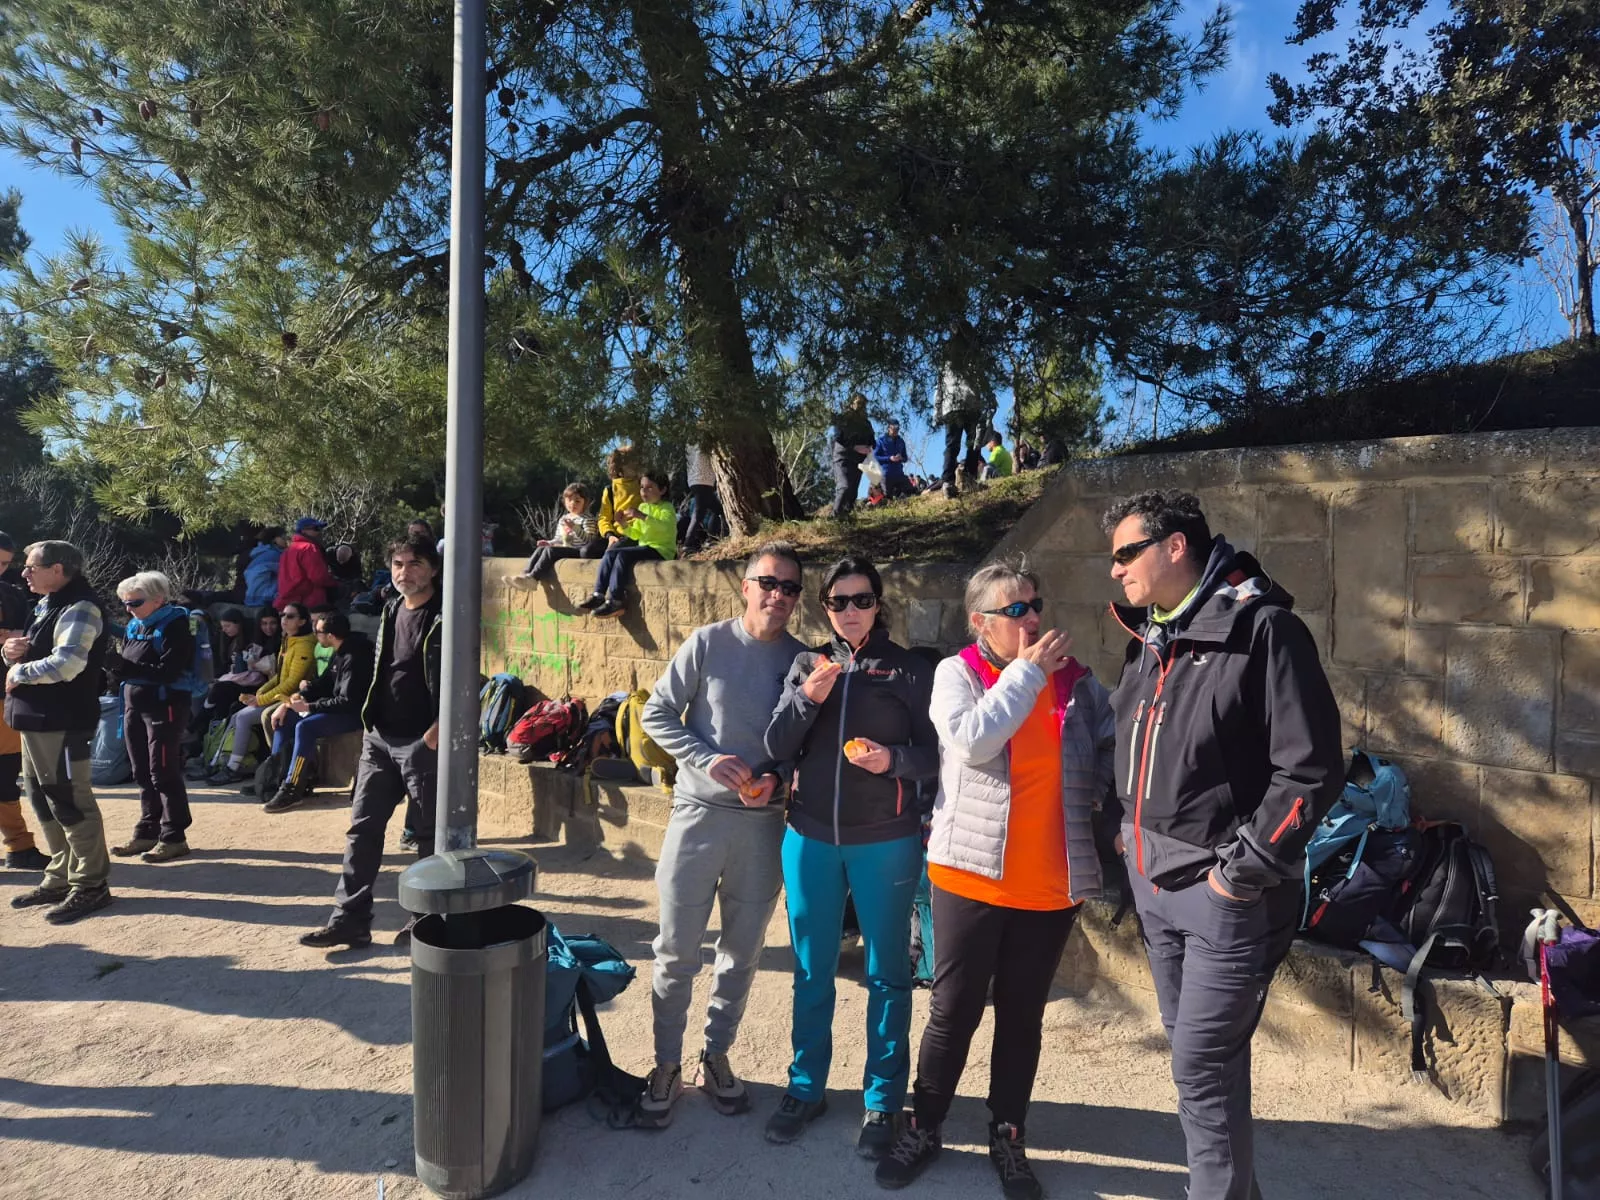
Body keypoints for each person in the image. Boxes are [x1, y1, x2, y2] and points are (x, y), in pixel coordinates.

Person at [1102, 490, 1343, 1200]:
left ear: (1175, 546)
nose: (1115, 571)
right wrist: (1123, 833)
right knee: (1203, 1058)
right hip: (1152, 889)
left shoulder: (1264, 629)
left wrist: (1244, 871)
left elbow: (1311, 768)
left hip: (1221, 898)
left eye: (1125, 554)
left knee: (1199, 1067)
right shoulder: (1148, 636)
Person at [875, 561, 1114, 1198]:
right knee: (952, 1013)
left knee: (1021, 1017)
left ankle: (1007, 1134)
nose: (1032, 618)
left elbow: (1114, 749)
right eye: (1015, 610)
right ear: (981, 621)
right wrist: (1027, 673)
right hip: (970, 877)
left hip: (1049, 885)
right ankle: (924, 1127)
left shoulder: (1077, 684)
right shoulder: (959, 674)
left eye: (1035, 604)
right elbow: (971, 741)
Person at [762, 556, 939, 1156]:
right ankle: (805, 1086)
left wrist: (893, 763)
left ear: (879, 603)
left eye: (861, 600)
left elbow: (938, 756)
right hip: (809, 838)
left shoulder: (911, 672)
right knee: (811, 969)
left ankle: (882, 1101)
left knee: (888, 973)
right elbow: (777, 743)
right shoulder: (806, 663)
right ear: (825, 609)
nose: (850, 612)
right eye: (838, 603)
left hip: (885, 840)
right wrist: (807, 699)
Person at [629, 542, 807, 1129]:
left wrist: (777, 776)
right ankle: (664, 1064)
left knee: (742, 953)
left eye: (789, 588)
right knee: (676, 950)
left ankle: (717, 1055)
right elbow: (656, 713)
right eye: (767, 583)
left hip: (762, 827)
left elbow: (808, 743)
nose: (777, 595)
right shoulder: (707, 642)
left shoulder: (805, 662)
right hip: (697, 817)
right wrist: (708, 760)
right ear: (745, 586)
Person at [299, 533, 442, 949]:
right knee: (362, 830)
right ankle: (349, 920)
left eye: (414, 564)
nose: (404, 573)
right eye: (398, 565)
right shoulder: (392, 607)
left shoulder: (445, 615)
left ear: (433, 569)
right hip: (379, 738)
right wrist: (370, 726)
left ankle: (427, 920)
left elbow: (466, 676)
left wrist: (438, 728)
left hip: (423, 741)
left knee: (429, 837)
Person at [3, 540, 115, 924]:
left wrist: (16, 671)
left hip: (62, 721)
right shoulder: (47, 603)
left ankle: (91, 884)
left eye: (32, 566)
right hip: (36, 719)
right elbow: (39, 652)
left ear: (59, 570)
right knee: (41, 798)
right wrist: (12, 652)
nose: (24, 573)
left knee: (68, 799)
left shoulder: (80, 606)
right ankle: (61, 876)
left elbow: (68, 664)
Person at [103, 572, 198, 863]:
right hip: (134, 706)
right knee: (142, 771)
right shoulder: (136, 624)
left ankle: (174, 837)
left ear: (158, 600)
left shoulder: (177, 625)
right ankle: (146, 832)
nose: (129, 608)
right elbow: (132, 667)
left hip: (165, 705)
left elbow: (167, 672)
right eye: (125, 603)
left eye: (135, 602)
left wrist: (121, 665)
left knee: (163, 772)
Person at [263, 611, 373, 813]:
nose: (315, 635)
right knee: (284, 719)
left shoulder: (355, 656)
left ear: (330, 635)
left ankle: (293, 788)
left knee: (305, 727)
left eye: (318, 631)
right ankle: (275, 778)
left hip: (354, 714)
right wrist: (296, 699)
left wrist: (309, 707)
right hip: (336, 708)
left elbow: (347, 701)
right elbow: (324, 683)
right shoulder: (340, 650)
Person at [209, 602, 315, 785]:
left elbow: (292, 683)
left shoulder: (304, 645)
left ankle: (236, 768)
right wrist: (260, 693)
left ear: (302, 621)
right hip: (279, 695)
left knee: (244, 717)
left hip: (295, 698)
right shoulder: (288, 640)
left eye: (290, 616)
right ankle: (223, 762)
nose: (284, 620)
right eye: (283, 615)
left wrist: (260, 699)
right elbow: (280, 676)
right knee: (237, 715)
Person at [0, 532, 49, 871]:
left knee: (5, 774)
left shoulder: (12, 594)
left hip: (4, 695)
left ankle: (19, 846)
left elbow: (29, 634)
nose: (0, 569)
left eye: (4, 563)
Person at [579, 469, 676, 620]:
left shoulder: (667, 508)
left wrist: (642, 517)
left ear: (662, 490)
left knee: (623, 555)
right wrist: (623, 524)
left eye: (650, 487)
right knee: (611, 552)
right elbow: (636, 534)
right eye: (642, 487)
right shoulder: (643, 507)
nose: (644, 491)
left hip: (661, 550)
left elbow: (664, 528)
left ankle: (616, 600)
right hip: (644, 546)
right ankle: (598, 594)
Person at [510, 482, 603, 588]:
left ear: (585, 503)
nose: (573, 504)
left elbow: (590, 540)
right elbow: (558, 539)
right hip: (565, 548)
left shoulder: (587, 519)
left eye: (577, 501)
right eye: (569, 500)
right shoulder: (564, 519)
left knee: (550, 551)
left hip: (577, 550)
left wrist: (575, 528)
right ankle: (524, 575)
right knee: (543, 549)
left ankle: (534, 578)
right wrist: (549, 542)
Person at [934, 338, 993, 497]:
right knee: (972, 443)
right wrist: (989, 397)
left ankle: (949, 481)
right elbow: (981, 379)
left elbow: (939, 389)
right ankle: (967, 479)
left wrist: (937, 412)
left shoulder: (945, 366)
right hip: (969, 405)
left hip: (953, 408)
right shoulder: (971, 359)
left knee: (954, 445)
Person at [830, 392, 875, 519]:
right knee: (844, 486)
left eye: (863, 404)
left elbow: (872, 439)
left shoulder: (866, 423)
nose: (860, 406)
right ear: (851, 403)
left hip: (858, 460)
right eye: (858, 403)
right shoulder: (843, 419)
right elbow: (838, 438)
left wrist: (869, 447)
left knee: (852, 491)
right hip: (843, 458)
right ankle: (834, 517)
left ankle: (847, 517)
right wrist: (854, 447)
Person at [276, 517, 338, 610]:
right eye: (316, 529)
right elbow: (319, 577)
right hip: (308, 603)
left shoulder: (288, 550)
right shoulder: (309, 548)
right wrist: (336, 584)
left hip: (288, 603)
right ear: (304, 531)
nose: (319, 532)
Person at [679, 445, 727, 553]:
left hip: (694, 480)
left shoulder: (689, 441)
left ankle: (711, 538)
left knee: (717, 510)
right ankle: (688, 543)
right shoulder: (701, 437)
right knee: (699, 512)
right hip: (704, 480)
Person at [596, 444, 644, 549]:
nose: (635, 464)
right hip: (616, 535)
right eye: (630, 461)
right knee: (586, 551)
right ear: (619, 466)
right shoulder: (609, 490)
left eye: (636, 460)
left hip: (637, 534)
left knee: (614, 550)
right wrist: (610, 535)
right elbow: (604, 518)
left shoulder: (644, 486)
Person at [243, 527, 286, 607]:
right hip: (264, 598)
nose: (286, 540)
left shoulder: (260, 553)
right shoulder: (274, 555)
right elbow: (288, 573)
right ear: (274, 540)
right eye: (283, 537)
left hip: (250, 598)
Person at [873, 419, 914, 501]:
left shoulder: (901, 441)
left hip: (899, 474)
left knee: (912, 492)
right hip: (886, 475)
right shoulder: (881, 441)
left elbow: (905, 458)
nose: (896, 430)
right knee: (888, 498)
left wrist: (901, 458)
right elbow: (875, 457)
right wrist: (889, 458)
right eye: (894, 428)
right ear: (889, 428)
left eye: (898, 428)